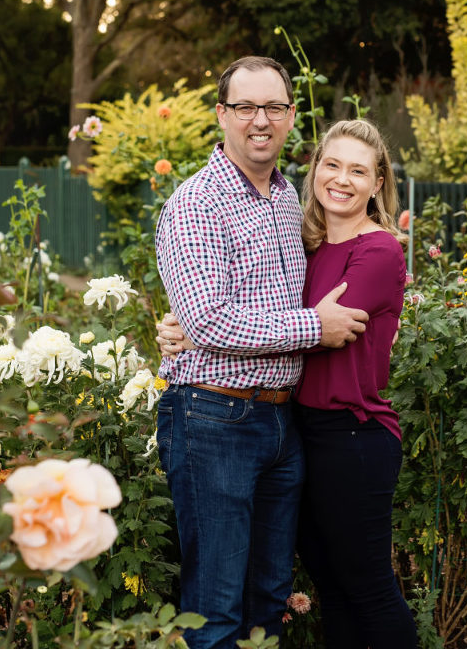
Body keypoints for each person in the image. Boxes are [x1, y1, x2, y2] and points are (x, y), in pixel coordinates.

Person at [162, 119, 419, 648]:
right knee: (332, 585)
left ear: (378, 183)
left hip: (354, 434)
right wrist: (194, 323)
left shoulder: (377, 252)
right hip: (303, 431)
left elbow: (323, 331)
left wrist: (203, 331)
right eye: (331, 164)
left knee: (366, 586)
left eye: (358, 170)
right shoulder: (311, 246)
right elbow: (279, 313)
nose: (342, 179)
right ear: (314, 170)